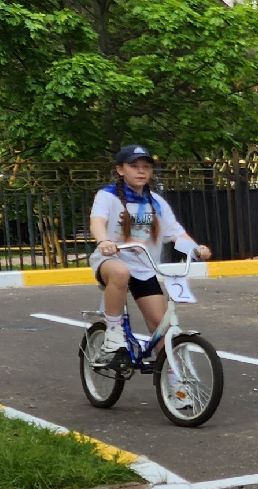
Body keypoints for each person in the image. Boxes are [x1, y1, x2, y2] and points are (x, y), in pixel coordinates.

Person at [89, 145, 209, 365]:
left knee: (161, 325)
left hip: (144, 267)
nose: (141, 171)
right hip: (111, 260)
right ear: (120, 170)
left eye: (146, 166)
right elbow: (97, 221)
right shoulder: (107, 196)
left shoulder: (157, 202)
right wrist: (103, 241)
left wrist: (196, 249)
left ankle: (172, 377)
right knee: (120, 272)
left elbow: (176, 234)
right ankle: (113, 333)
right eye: (134, 166)